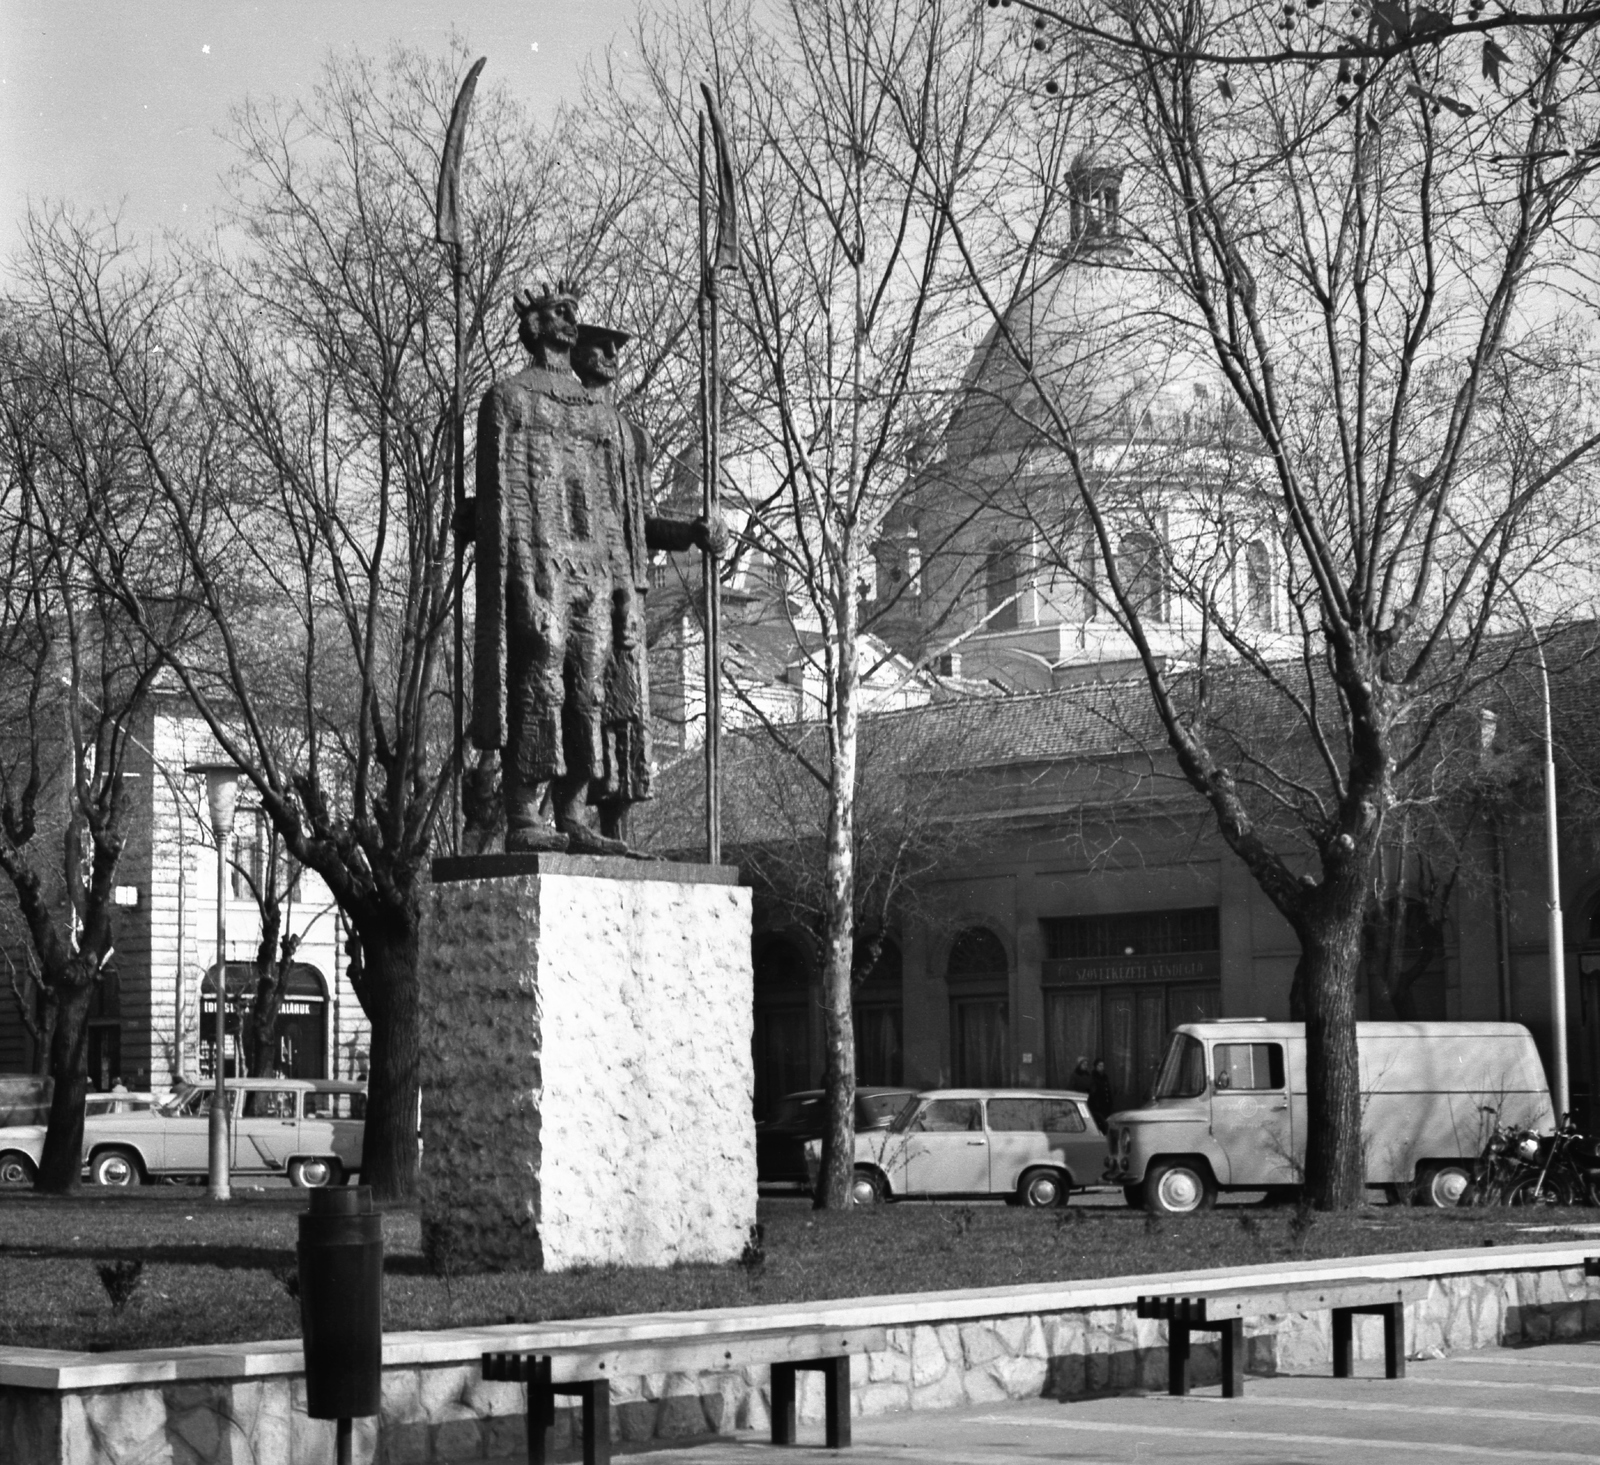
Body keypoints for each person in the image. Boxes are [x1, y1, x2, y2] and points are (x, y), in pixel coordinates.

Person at [472, 283, 721, 853]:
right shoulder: (508, 398)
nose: (568, 317)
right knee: (542, 680)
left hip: (599, 573)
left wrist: (665, 558)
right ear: (533, 326)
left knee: (592, 688)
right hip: (541, 570)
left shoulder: (605, 419)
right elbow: (503, 506)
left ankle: (575, 810)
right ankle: (524, 812)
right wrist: (521, 584)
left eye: (571, 311)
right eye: (556, 311)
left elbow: (625, 516)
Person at [1087, 1058, 1115, 1134]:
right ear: (1096, 1066)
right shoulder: (1093, 1078)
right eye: (1100, 1066)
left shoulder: (1105, 1077)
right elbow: (1093, 1092)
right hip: (1098, 1106)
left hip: (1106, 1105)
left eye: (1103, 1066)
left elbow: (1108, 1090)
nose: (1102, 1067)